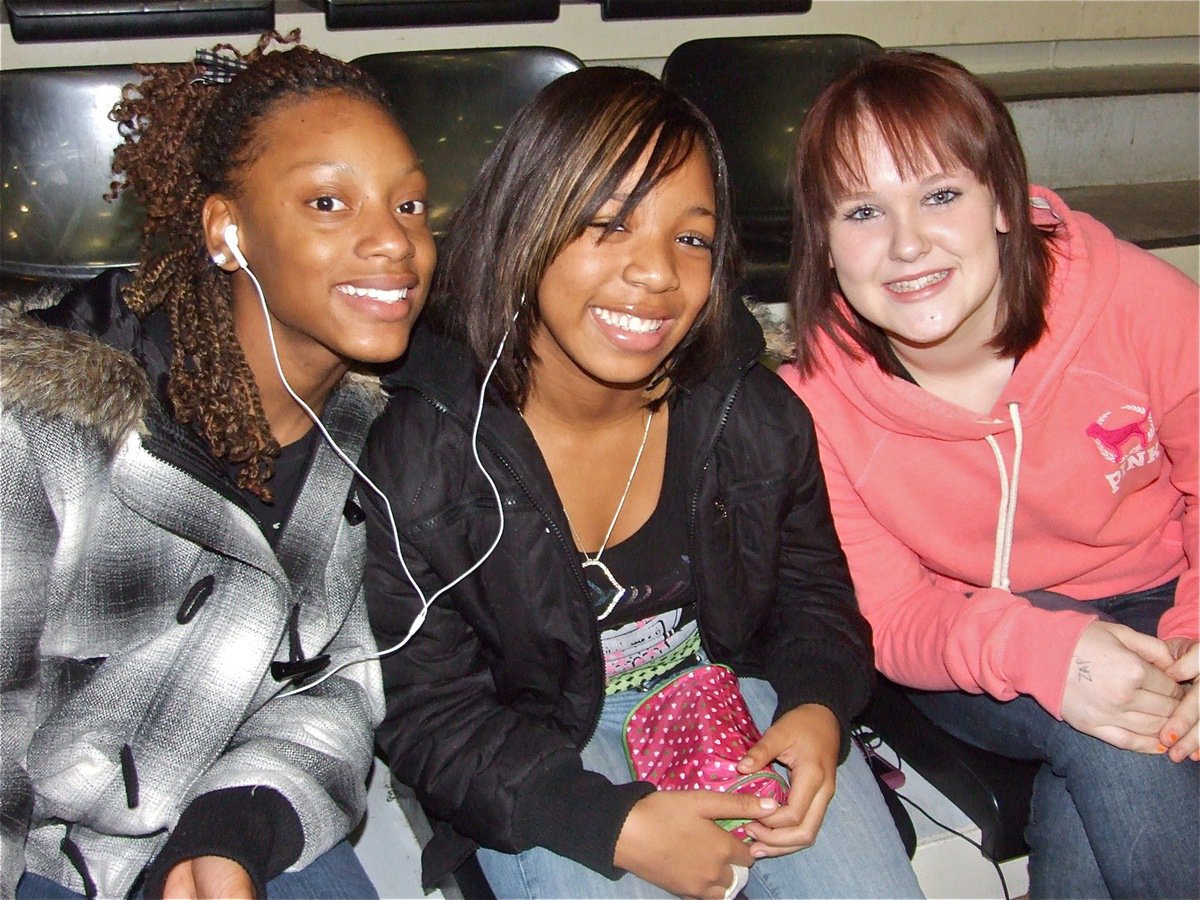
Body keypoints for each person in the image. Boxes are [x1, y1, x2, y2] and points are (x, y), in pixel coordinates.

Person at [362, 65, 921, 900]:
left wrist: (816, 710)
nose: (657, 272)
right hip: (537, 740)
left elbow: (814, 597)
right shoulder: (426, 449)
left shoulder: (749, 412)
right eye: (607, 224)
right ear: (525, 223)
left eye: (690, 238)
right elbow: (426, 711)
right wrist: (605, 823)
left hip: (734, 693)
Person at [0, 33, 436, 899]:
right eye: (327, 203)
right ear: (227, 230)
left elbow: (341, 687)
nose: (392, 241)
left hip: (228, 803)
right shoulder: (42, 424)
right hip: (39, 848)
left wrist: (231, 830)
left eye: (411, 206)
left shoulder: (375, 429)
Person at [779, 50, 1198, 898]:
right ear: (823, 242)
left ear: (1004, 201)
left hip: (1158, 599)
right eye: (862, 210)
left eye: (940, 195)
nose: (907, 245)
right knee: (1119, 733)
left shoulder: (1141, 305)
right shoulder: (810, 404)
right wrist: (1041, 647)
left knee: (1117, 749)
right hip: (966, 639)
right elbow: (894, 615)